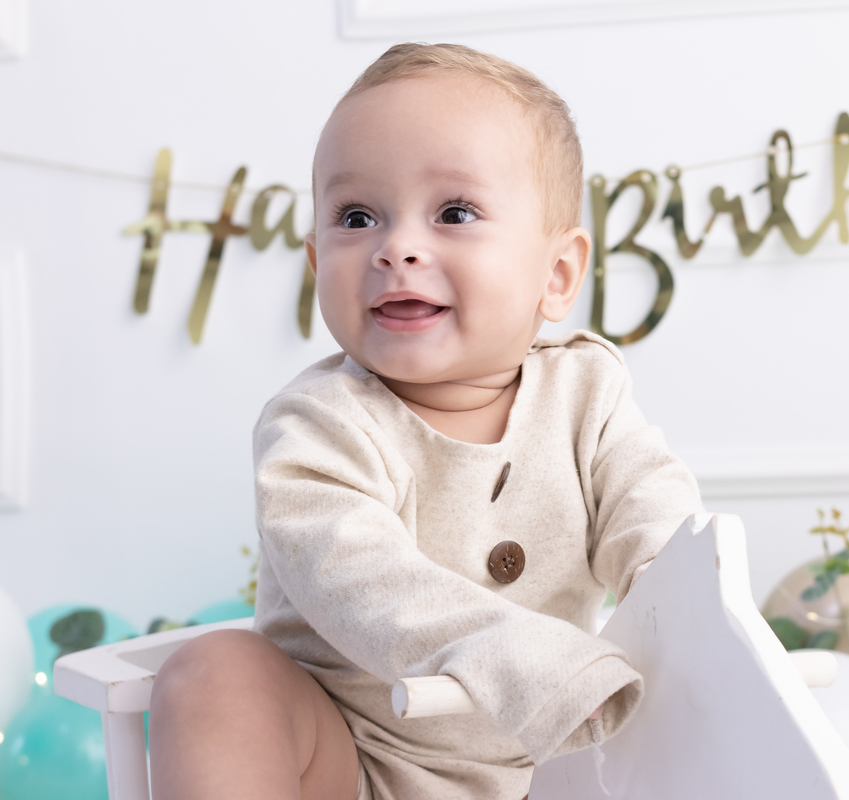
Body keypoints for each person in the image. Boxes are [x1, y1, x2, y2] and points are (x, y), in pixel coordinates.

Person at [148, 43, 703, 800]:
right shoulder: (317, 427)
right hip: (347, 763)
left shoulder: (588, 392)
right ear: (317, 264)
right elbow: (365, 581)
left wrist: (700, 616)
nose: (396, 248)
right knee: (214, 675)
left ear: (558, 274)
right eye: (356, 216)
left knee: (694, 693)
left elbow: (655, 518)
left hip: (555, 766)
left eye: (454, 212)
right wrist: (510, 652)